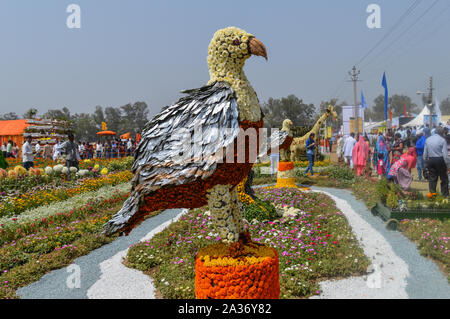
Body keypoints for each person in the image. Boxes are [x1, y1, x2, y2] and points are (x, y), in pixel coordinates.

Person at [423, 127, 449, 197]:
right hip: (440, 160)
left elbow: (425, 153)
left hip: (431, 160)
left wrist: (425, 163)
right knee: (444, 178)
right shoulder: (442, 140)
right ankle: (445, 195)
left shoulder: (428, 139)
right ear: (441, 132)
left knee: (432, 178)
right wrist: (448, 165)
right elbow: (445, 155)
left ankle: (432, 194)